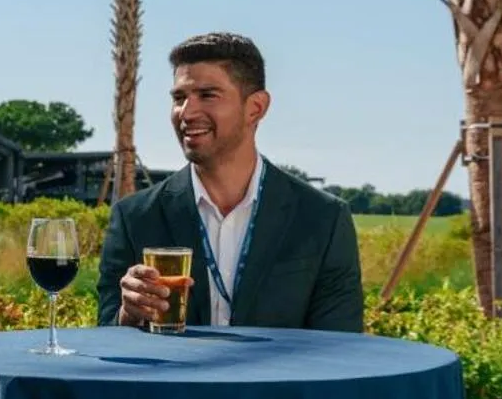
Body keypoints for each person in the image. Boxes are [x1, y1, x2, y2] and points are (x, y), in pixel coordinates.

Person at [97, 31, 364, 333]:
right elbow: (108, 334)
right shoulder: (135, 217)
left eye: (208, 95)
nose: (186, 112)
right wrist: (128, 314)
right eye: (179, 98)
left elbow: (342, 347)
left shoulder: (323, 219)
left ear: (256, 108)